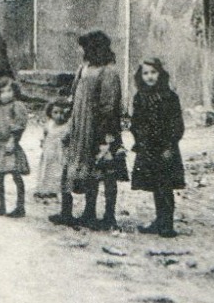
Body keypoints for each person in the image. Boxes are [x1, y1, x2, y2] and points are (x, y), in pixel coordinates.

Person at [58, 30, 125, 230]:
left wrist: (105, 134)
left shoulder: (109, 71)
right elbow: (74, 94)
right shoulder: (83, 68)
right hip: (81, 127)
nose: (84, 52)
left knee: (106, 171)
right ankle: (89, 212)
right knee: (89, 173)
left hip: (101, 128)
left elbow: (109, 105)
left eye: (88, 47)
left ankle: (109, 216)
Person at [130, 57, 186, 237]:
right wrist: (140, 140)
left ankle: (167, 223)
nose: (150, 77)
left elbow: (177, 124)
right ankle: (159, 220)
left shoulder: (170, 97)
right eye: (145, 73)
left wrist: (170, 145)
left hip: (166, 149)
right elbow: (136, 122)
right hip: (148, 148)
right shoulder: (139, 97)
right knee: (155, 184)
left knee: (166, 185)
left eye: (153, 72)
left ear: (160, 74)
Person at [0, 69, 31, 218]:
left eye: (10, 91)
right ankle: (1, 204)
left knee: (15, 175)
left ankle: (20, 206)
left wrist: (13, 140)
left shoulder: (16, 106)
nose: (7, 95)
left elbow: (20, 124)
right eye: (2, 92)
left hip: (8, 146)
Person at [34, 99, 74, 210]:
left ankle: (65, 208)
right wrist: (43, 142)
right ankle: (48, 192)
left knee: (62, 178)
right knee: (48, 173)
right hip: (49, 154)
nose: (58, 116)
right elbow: (46, 135)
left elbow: (68, 139)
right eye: (55, 112)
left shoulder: (67, 126)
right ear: (50, 113)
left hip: (61, 156)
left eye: (62, 113)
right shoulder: (50, 124)